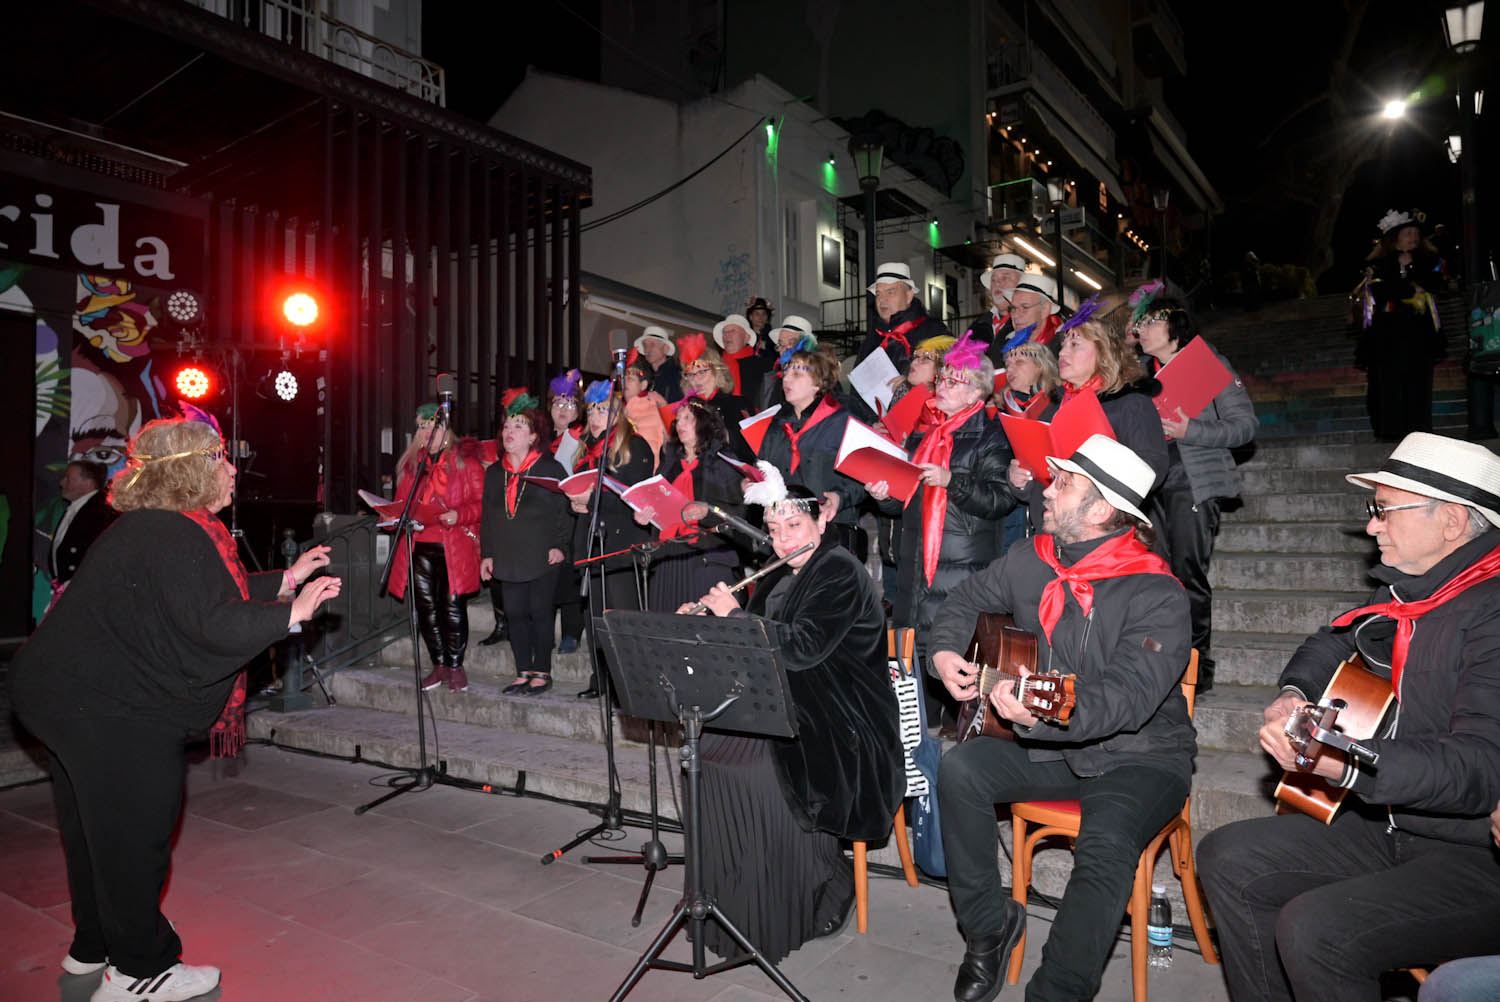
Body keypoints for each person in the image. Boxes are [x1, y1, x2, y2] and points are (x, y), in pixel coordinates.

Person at [8, 416, 340, 1002]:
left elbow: (204, 596)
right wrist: (293, 613)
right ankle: (139, 970)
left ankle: (94, 947)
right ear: (191, 469)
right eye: (220, 457)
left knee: (95, 829)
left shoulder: (154, 529)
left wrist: (286, 578)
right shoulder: (175, 534)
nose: (233, 467)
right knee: (135, 834)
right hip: (108, 706)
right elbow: (210, 623)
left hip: (61, 694)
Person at [1197, 432, 1500, 1002]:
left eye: (1383, 510)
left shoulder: (1491, 608)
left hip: (1476, 855)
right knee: (1228, 856)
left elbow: (1481, 768)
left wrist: (1349, 763)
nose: (1371, 527)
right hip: (1394, 825)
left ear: (1453, 521)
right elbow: (1331, 639)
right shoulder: (1419, 596)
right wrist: (1292, 694)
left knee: (1317, 930)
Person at [928, 434, 1192, 1002]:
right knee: (961, 771)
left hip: (1140, 758)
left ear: (1101, 510)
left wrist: (1042, 712)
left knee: (1108, 841)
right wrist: (945, 652)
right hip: (1053, 747)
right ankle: (989, 928)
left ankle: (1057, 992)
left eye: (1065, 483)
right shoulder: (1032, 557)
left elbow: (1126, 698)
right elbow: (962, 601)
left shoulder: (1158, 592)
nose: (1048, 489)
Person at [679, 475, 904, 963]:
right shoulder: (780, 573)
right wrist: (702, 623)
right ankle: (730, 908)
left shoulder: (840, 571)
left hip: (845, 720)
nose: (784, 539)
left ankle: (820, 882)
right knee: (708, 757)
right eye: (775, 529)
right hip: (790, 704)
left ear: (822, 521)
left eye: (795, 525)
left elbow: (801, 649)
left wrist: (735, 617)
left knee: (760, 774)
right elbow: (753, 655)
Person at [1134, 296, 1259, 691]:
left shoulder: (1207, 364)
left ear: (1176, 326)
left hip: (1191, 481)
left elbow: (1245, 426)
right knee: (1153, 577)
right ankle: (1158, 663)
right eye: (1140, 323)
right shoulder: (1138, 373)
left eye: (1151, 320)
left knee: (1188, 576)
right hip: (1148, 485)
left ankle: (1195, 669)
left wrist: (1192, 432)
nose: (1142, 329)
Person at [1006, 319, 1169, 535]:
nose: (1062, 353)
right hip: (1053, 533)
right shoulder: (1051, 409)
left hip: (1108, 532)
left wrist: (1096, 476)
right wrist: (1020, 479)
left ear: (1103, 352)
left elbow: (1153, 468)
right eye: (1063, 345)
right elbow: (1038, 484)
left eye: (1075, 345)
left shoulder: (1130, 403)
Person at [387, 402, 485, 693]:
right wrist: (391, 515)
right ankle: (439, 664)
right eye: (422, 426)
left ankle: (456, 666)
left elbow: (482, 505)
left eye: (434, 425)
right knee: (427, 608)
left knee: (452, 607)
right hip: (420, 544)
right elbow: (401, 506)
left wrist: (459, 515)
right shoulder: (412, 465)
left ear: (446, 430)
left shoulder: (465, 461)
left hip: (453, 544)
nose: (428, 431)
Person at [569, 385, 656, 698]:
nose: (594, 416)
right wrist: (576, 502)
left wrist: (588, 501)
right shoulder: (586, 451)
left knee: (621, 615)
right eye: (591, 409)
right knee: (594, 615)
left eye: (602, 409)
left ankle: (630, 682)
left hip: (621, 542)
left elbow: (632, 498)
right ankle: (601, 678)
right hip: (590, 542)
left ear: (618, 413)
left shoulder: (636, 446)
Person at [481, 400, 572, 696]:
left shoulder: (549, 467)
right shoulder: (495, 472)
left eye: (518, 426)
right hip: (507, 552)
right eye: (506, 426)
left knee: (540, 612)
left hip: (542, 552)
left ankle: (542, 671)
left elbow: (565, 511)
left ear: (533, 436)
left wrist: (560, 545)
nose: (509, 431)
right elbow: (488, 517)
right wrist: (487, 554)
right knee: (515, 613)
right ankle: (522, 671)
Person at [635, 398, 747, 612]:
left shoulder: (722, 460)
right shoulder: (669, 464)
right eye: (677, 420)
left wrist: (708, 512)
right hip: (668, 558)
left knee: (703, 632)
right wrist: (646, 515)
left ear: (704, 422)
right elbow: (657, 506)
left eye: (688, 418)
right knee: (667, 628)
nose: (680, 424)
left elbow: (739, 513)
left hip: (706, 560)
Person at [757, 345, 866, 555]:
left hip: (831, 533)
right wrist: (754, 483)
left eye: (796, 374)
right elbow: (764, 468)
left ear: (817, 383)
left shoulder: (844, 422)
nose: (786, 379)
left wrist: (840, 497)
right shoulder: (777, 425)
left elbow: (864, 478)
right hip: (785, 534)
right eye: (786, 373)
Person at [1354, 209, 1445, 441]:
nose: (1413, 236)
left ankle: (1420, 432)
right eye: (1408, 232)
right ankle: (1391, 431)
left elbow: (1435, 284)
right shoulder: (1377, 264)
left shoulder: (1430, 260)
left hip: (1420, 334)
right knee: (1388, 384)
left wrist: (1411, 271)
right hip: (1387, 334)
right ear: (1394, 238)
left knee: (1420, 383)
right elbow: (1380, 292)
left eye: (1416, 233)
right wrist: (1406, 278)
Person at [858, 261, 948, 374]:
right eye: (878, 294)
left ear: (909, 296)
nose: (882, 299)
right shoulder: (872, 339)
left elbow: (948, 374)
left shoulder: (934, 331)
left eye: (890, 292)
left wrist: (909, 384)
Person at [677, 332, 752, 457]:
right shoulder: (685, 410)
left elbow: (746, 449)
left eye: (702, 372)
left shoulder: (736, 404)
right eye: (691, 374)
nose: (696, 380)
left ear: (717, 373)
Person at [48, 459, 115, 588]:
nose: (61, 483)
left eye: (68, 478)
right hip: (69, 590)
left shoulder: (102, 511)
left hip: (88, 591)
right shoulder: (78, 507)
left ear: (88, 483)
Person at [985, 273, 1064, 370]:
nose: (1016, 315)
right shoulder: (1001, 346)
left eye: (1025, 307)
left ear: (1045, 309)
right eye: (1013, 308)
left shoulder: (1065, 346)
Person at [966, 252, 1026, 343]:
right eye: (993, 280)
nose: (997, 283)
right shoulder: (978, 325)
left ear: (1021, 285)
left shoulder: (1030, 322)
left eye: (1005, 278)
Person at [713, 312, 769, 405]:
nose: (727, 335)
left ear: (746, 337)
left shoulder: (763, 366)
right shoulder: (715, 366)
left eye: (732, 331)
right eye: (724, 332)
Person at [635, 325, 683, 403]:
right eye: (645, 345)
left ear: (666, 349)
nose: (648, 349)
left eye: (653, 344)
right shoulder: (644, 376)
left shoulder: (677, 375)